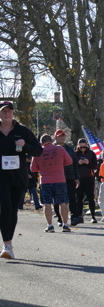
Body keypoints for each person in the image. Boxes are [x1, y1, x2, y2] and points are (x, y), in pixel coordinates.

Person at [1, 100, 42, 259]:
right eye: (3, 111)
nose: (6, 113)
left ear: (13, 113)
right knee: (4, 207)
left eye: (9, 111)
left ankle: (9, 244)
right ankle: (7, 245)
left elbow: (38, 151)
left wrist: (25, 145)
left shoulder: (23, 131)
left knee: (12, 210)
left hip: (18, 176)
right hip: (1, 176)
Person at [30, 134, 74, 233]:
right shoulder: (59, 149)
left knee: (47, 203)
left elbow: (33, 169)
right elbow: (69, 161)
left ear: (41, 143)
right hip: (60, 179)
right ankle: (65, 225)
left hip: (45, 181)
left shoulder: (38, 151)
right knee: (63, 202)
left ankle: (50, 226)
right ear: (51, 140)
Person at [74, 138, 99, 225]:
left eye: (84, 147)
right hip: (79, 178)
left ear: (87, 146)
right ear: (78, 146)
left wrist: (88, 162)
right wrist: (78, 163)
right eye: (80, 147)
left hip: (89, 177)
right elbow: (72, 166)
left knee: (90, 197)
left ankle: (93, 216)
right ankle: (80, 216)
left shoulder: (91, 153)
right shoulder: (75, 154)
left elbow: (95, 166)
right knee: (79, 198)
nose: (82, 149)